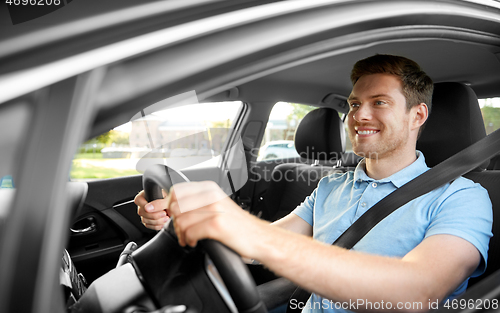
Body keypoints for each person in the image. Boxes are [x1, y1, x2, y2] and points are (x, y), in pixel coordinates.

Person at [135, 54, 493, 312]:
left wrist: (250, 231)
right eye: (354, 104)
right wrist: (181, 222)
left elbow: (419, 293)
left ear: (417, 115)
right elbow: (254, 248)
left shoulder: (461, 197)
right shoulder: (330, 187)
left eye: (379, 102)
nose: (358, 116)